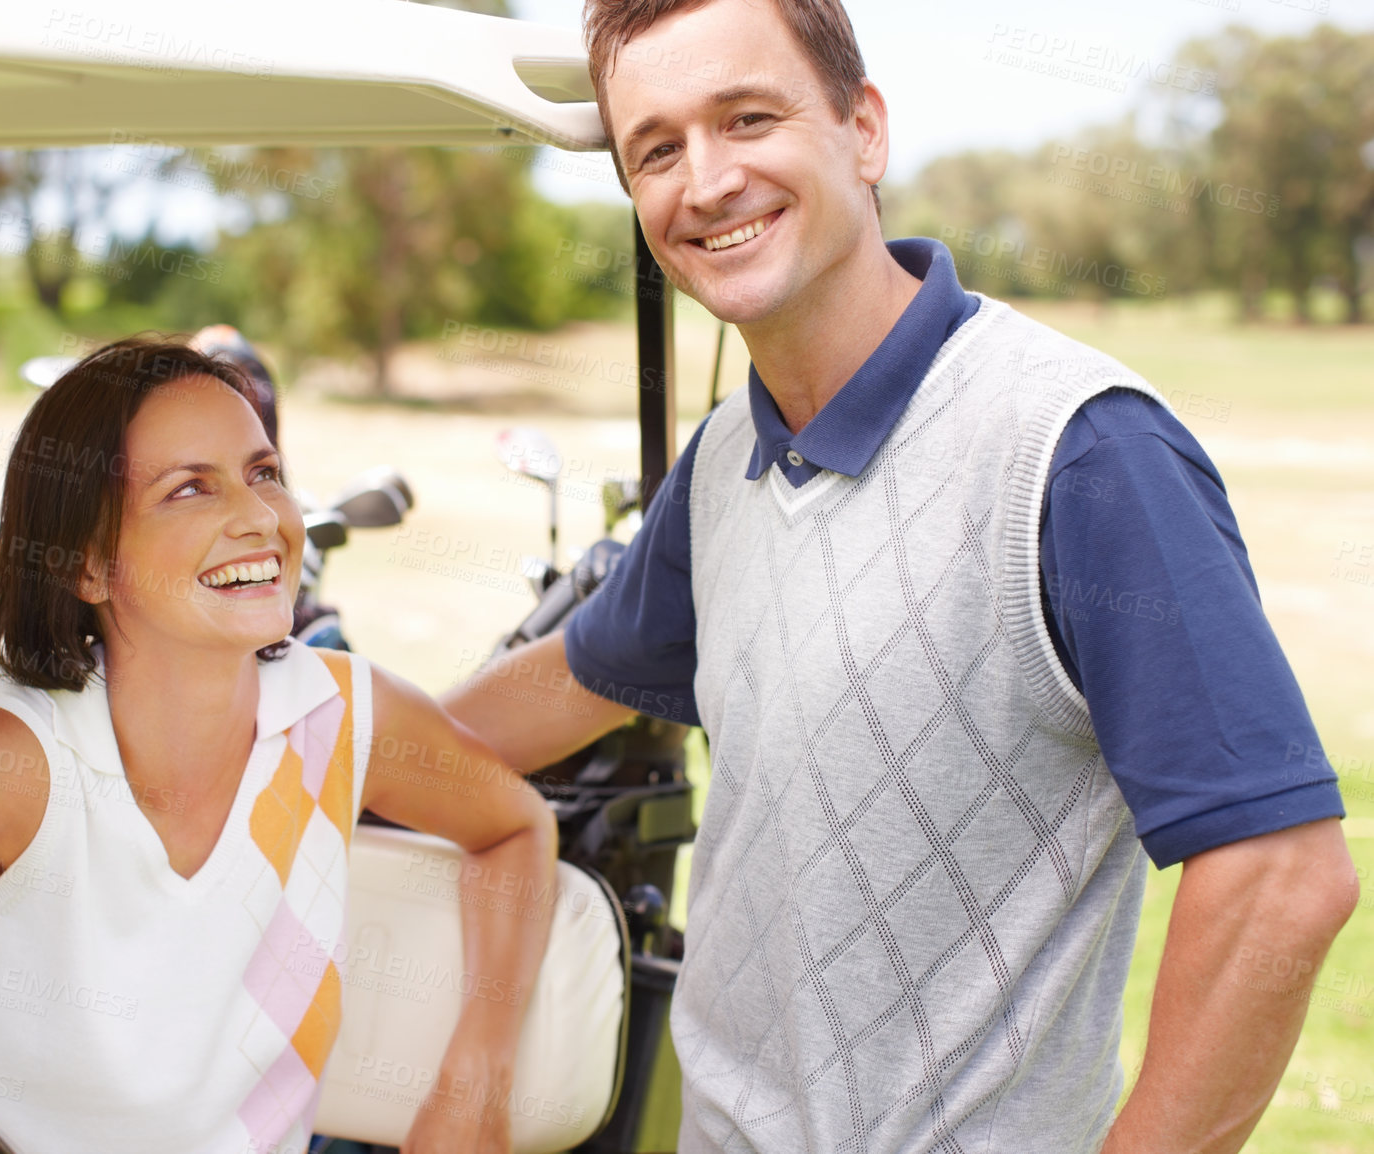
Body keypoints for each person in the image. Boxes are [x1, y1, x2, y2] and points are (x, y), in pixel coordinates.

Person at [442, 1, 1359, 1151]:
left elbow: (1279, 874)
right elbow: (569, 683)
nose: (707, 179)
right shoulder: (727, 452)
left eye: (748, 118)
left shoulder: (1080, 446)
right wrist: (308, 747)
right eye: (658, 149)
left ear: (862, 130)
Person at [0, 339, 557, 1154]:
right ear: (89, 564)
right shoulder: (14, 758)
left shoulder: (341, 715)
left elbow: (516, 827)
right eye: (190, 489)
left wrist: (476, 1075)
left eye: (265, 474)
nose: (260, 516)